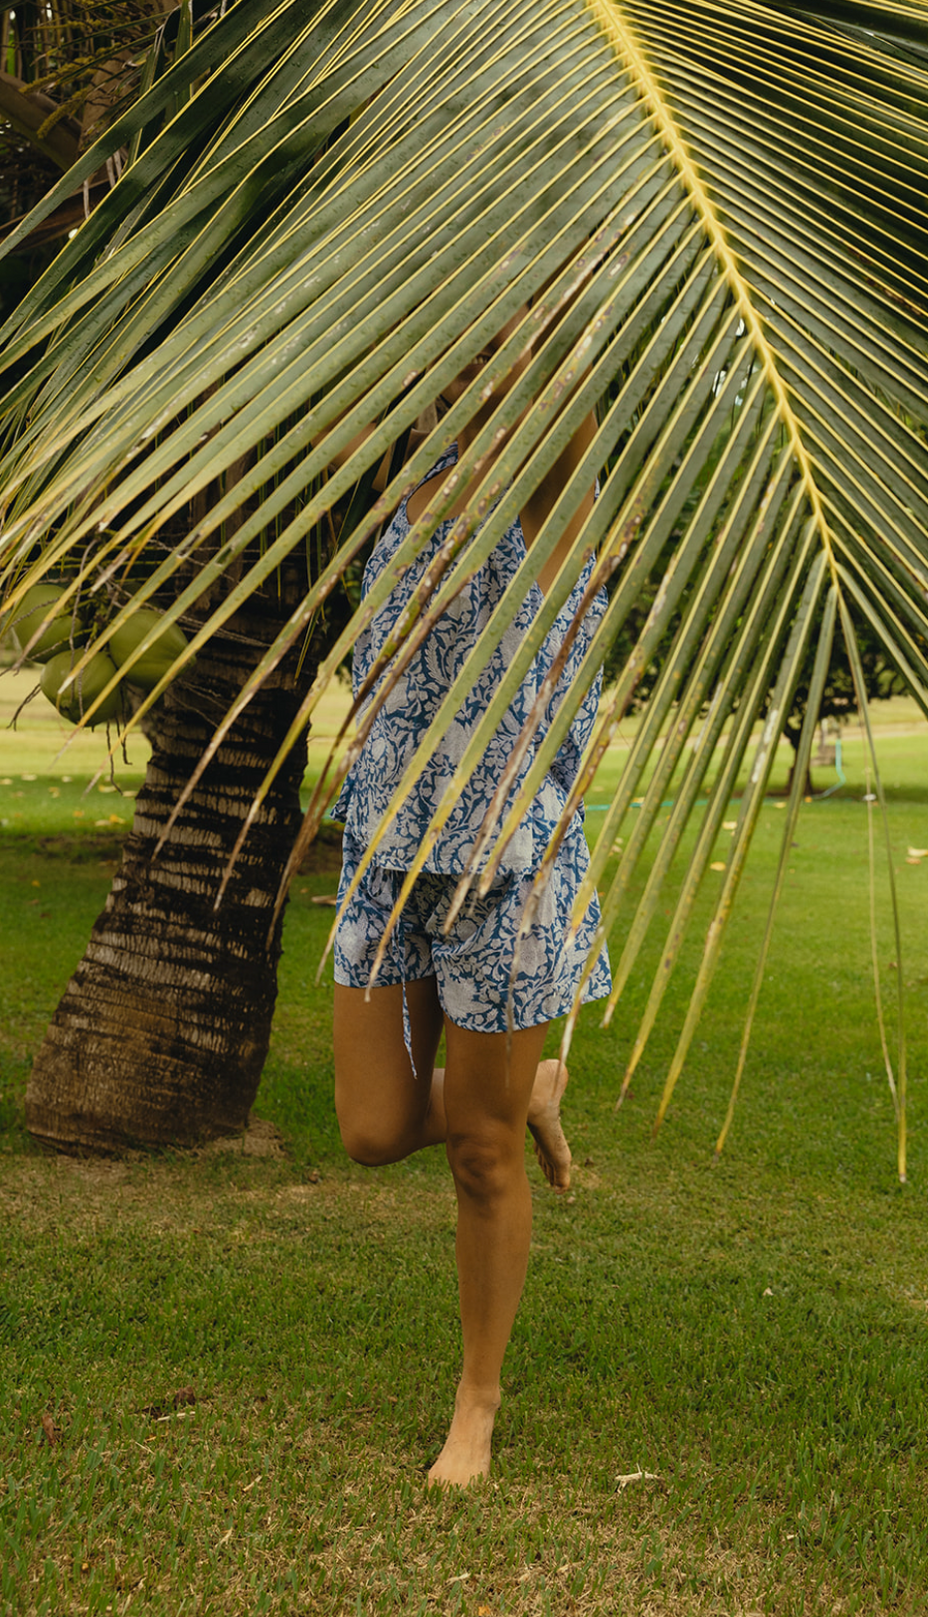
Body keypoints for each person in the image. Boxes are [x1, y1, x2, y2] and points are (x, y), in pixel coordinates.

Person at [329, 321, 611, 1488]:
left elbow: (563, 405)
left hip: (507, 870)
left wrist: (532, 313)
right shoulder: (403, 493)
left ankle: (476, 1403)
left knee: (481, 1160)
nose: (466, 375)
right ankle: (529, 1090)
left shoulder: (560, 510)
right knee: (371, 1131)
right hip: (386, 852)